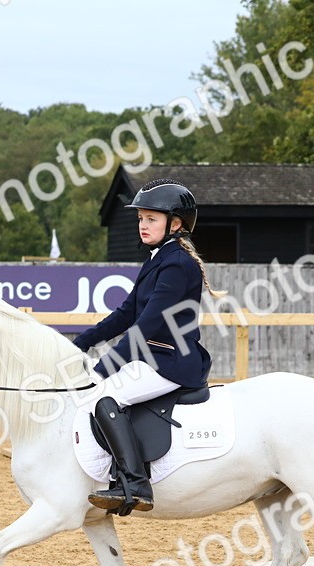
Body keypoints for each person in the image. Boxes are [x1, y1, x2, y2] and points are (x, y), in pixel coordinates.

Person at [71, 179, 220, 515]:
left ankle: (135, 483)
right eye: (140, 219)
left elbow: (148, 323)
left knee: (105, 397)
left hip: (171, 362)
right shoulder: (158, 259)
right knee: (101, 392)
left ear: (176, 223)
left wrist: (103, 367)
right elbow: (126, 314)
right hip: (153, 357)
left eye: (151, 219)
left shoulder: (177, 264)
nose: (143, 225)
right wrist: (79, 345)